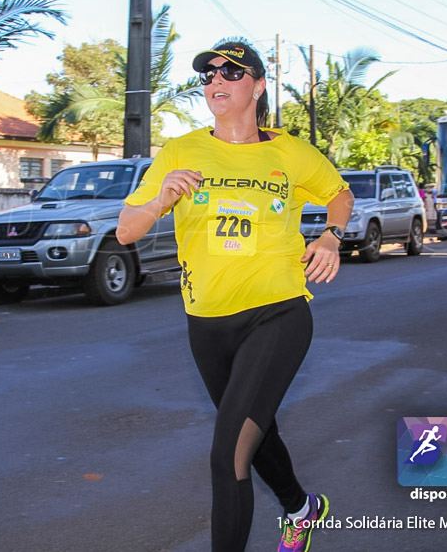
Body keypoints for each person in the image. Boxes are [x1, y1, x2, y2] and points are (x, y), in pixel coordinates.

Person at [116, 39, 354, 552]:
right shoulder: (181, 151)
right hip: (206, 322)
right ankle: (301, 507)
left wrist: (331, 235)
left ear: (258, 86)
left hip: (277, 312)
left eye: (230, 73)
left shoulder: (290, 151)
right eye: (208, 75)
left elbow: (339, 193)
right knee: (252, 431)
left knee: (227, 455)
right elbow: (126, 232)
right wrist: (162, 198)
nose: (216, 81)